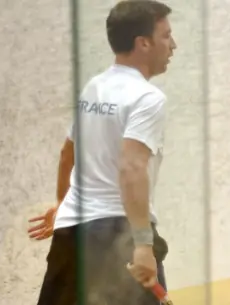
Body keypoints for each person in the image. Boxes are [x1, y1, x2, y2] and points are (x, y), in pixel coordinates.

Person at [26, 0, 178, 304]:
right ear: (143, 43)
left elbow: (67, 153)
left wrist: (63, 204)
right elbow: (131, 170)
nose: (173, 45)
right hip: (117, 236)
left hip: (72, 233)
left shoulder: (95, 87)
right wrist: (144, 244)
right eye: (166, 36)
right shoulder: (148, 98)